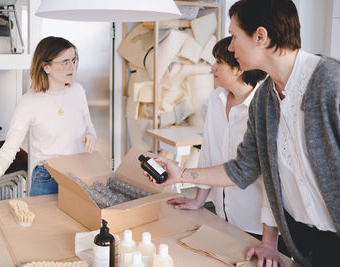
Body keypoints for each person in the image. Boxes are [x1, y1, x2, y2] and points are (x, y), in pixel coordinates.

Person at [146, 0, 340, 266]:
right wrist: (182, 174)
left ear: (260, 36)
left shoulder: (331, 82)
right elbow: (245, 168)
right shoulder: (264, 101)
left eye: (235, 36)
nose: (231, 46)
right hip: (304, 242)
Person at [167, 36, 288, 267]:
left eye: (219, 62)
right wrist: (199, 200)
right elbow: (209, 152)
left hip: (258, 227)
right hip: (223, 216)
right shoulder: (216, 99)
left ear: (239, 68)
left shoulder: (264, 107)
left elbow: (274, 180)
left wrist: (269, 242)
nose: (212, 67)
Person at [0, 36, 97, 197]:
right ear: (46, 67)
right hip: (48, 175)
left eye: (74, 60)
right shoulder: (29, 102)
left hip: (78, 172)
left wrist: (91, 135)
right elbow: (10, 147)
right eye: (65, 62)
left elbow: (89, 126)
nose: (72, 67)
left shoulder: (78, 91)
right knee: (45, 222)